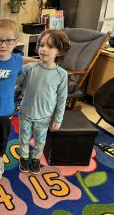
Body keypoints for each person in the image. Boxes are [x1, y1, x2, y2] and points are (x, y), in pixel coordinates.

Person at [0, 18, 36, 181]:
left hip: (7, 108)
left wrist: (36, 60)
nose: (3, 45)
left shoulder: (17, 60)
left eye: (8, 41)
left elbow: (23, 63)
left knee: (3, 138)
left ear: (15, 42)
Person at [18, 29, 71, 174]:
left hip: (45, 116)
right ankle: (24, 158)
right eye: (41, 45)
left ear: (59, 52)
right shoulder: (28, 68)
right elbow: (15, 85)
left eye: (50, 46)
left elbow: (62, 98)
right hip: (25, 113)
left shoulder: (61, 74)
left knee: (40, 140)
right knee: (23, 138)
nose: (44, 49)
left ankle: (35, 159)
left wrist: (58, 119)